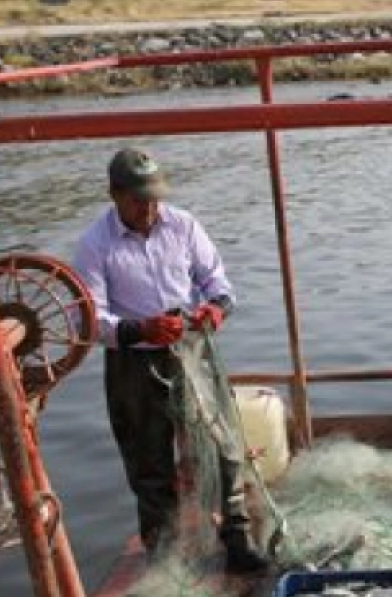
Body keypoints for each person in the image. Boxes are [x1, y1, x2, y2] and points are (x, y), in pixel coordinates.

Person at [72, 146, 270, 573]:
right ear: (114, 195)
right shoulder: (94, 244)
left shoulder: (183, 225)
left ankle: (236, 537)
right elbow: (87, 320)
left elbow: (217, 282)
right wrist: (141, 329)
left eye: (154, 198)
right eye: (138, 200)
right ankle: (164, 554)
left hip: (192, 350)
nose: (148, 208)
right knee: (149, 460)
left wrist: (215, 309)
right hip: (133, 362)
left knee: (224, 446)